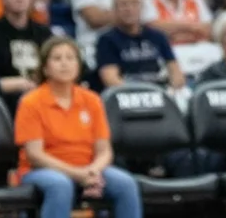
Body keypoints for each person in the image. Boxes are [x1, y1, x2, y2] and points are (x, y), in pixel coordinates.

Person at [14, 36, 142, 218]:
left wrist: (93, 171)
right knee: (60, 184)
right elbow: (35, 156)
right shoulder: (30, 102)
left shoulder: (92, 100)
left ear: (79, 65)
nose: (64, 64)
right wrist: (77, 174)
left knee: (126, 183)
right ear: (45, 68)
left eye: (70, 58)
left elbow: (104, 151)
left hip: (88, 168)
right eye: (57, 59)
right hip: (40, 171)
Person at [96, 0, 185, 89]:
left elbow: (176, 72)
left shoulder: (158, 36)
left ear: (142, 7)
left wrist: (171, 89)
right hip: (128, 95)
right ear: (115, 9)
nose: (129, 9)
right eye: (123, 4)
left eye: (134, 3)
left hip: (161, 91)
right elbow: (111, 80)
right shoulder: (107, 40)